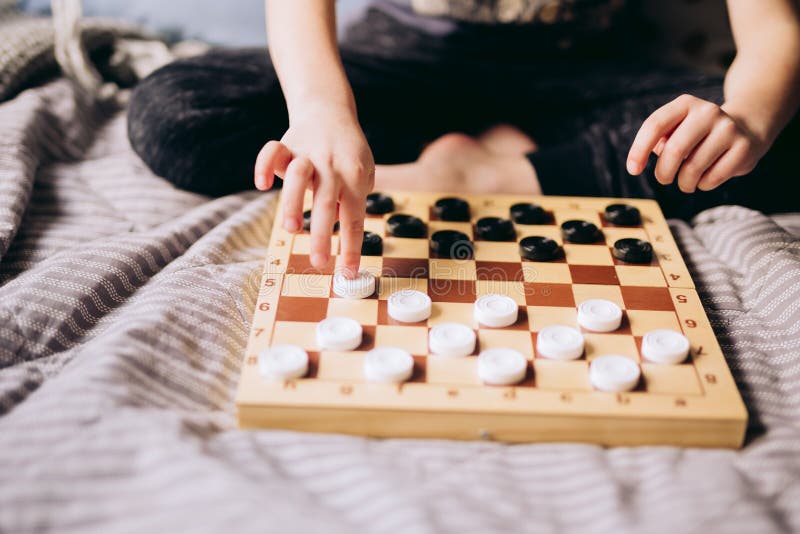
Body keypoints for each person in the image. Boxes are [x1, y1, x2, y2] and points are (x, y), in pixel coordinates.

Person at [127, 0, 800, 277]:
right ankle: (537, 166)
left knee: (769, 139)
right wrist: (323, 110)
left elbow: (772, 26)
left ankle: (495, 174)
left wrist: (745, 118)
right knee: (177, 112)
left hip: (584, 73)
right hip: (403, 64)